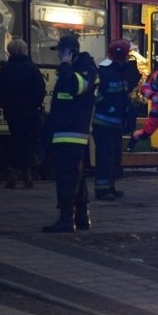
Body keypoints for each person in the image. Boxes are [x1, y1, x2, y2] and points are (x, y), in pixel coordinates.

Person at [42, 35, 98, 233]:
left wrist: (66, 66)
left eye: (61, 52)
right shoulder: (73, 70)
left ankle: (66, 219)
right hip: (64, 132)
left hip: (73, 133)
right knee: (77, 178)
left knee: (67, 178)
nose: (58, 56)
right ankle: (81, 217)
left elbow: (75, 87)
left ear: (70, 52)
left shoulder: (87, 70)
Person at [0, 38, 47, 189]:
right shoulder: (32, 69)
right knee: (27, 141)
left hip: (11, 111)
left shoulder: (4, 69)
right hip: (29, 111)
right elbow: (41, 90)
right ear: (24, 50)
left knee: (17, 139)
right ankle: (25, 174)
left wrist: (5, 105)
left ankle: (15, 174)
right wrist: (33, 104)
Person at [92, 39, 141, 201]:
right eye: (127, 55)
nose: (129, 58)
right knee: (105, 157)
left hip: (116, 123)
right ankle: (102, 189)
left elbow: (124, 92)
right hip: (104, 123)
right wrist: (110, 108)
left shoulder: (120, 71)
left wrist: (127, 108)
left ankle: (110, 186)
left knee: (114, 157)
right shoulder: (105, 72)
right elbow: (97, 95)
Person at [127, 52, 158, 152]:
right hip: (157, 112)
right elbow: (145, 88)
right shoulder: (157, 75)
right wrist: (155, 98)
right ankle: (132, 141)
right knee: (145, 134)